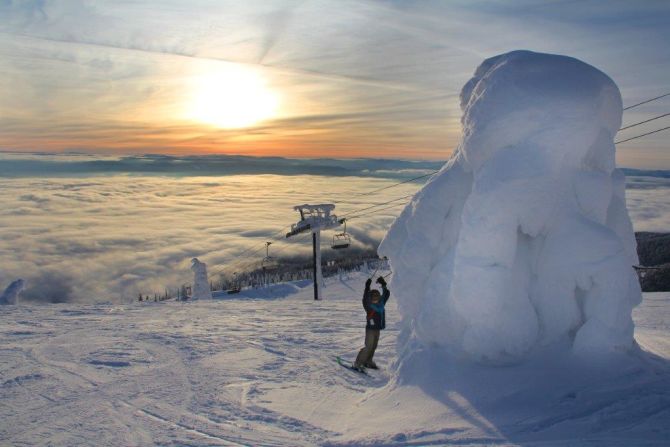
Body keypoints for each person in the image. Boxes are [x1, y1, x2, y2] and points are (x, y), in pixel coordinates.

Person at [353, 276, 390, 371]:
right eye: (373, 297)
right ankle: (358, 363)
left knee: (374, 346)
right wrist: (367, 287)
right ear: (370, 297)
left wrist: (383, 284)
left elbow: (386, 294)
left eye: (377, 297)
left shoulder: (381, 304)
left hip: (377, 329)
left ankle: (368, 361)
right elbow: (365, 299)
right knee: (368, 346)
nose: (375, 299)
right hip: (370, 329)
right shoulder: (369, 306)